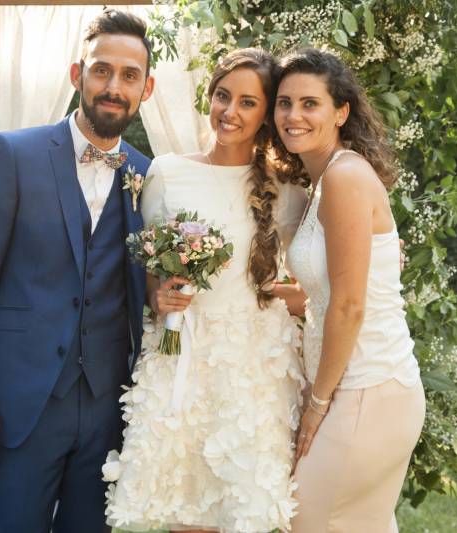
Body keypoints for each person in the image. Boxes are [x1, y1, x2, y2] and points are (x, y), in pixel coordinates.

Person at [0, 10, 164, 532]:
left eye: (129, 76)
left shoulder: (147, 176)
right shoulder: (11, 155)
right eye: (101, 70)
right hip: (21, 406)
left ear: (147, 88)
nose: (114, 87)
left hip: (110, 407)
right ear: (77, 75)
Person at [103, 48, 308, 533]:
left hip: (252, 365)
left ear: (266, 115)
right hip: (182, 352)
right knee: (187, 506)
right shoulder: (167, 172)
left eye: (247, 103)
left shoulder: (289, 193)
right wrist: (161, 294)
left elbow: (312, 279)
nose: (229, 112)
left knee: (242, 506)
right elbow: (149, 268)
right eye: (222, 96)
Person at [278, 48, 425, 532]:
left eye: (309, 103)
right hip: (357, 387)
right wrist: (253, 296)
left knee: (307, 522)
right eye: (284, 103)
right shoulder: (323, 179)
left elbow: (348, 305)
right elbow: (321, 296)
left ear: (341, 111)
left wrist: (318, 405)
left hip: (367, 388)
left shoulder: (343, 177)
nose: (293, 115)